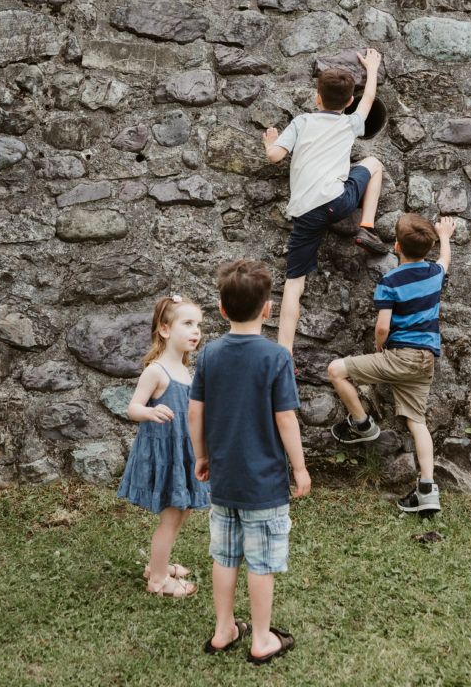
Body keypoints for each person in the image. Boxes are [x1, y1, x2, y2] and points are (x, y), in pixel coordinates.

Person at [188, 260, 311, 664]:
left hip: (224, 479)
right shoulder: (276, 357)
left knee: (224, 557)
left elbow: (195, 412)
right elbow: (286, 418)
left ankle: (224, 628)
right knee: (261, 562)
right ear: (268, 309)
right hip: (265, 484)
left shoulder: (208, 355)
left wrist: (201, 455)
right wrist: (299, 468)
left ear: (221, 309)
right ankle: (261, 638)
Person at [328, 214, 455, 515]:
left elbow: (382, 326)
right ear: (429, 247)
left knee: (336, 370)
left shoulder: (390, 281)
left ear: (396, 246)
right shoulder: (435, 273)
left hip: (399, 356)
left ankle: (362, 424)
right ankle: (427, 489)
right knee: (417, 422)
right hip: (425, 359)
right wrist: (444, 236)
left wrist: (379, 348)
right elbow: (445, 260)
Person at [263, 49, 386, 354]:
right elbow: (370, 99)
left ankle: (284, 352)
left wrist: (270, 142)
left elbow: (275, 156)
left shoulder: (302, 122)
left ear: (317, 98)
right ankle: (367, 226)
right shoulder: (351, 123)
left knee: (294, 283)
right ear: (349, 101)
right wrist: (372, 68)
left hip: (306, 212)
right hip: (338, 202)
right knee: (373, 164)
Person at [117, 294, 210, 597]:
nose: (196, 331)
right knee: (171, 517)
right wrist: (150, 412)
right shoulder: (156, 371)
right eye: (188, 323)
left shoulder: (184, 368)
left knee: (182, 511)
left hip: (184, 452)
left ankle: (159, 563)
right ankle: (157, 579)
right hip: (165, 455)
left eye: (198, 325)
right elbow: (133, 408)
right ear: (165, 329)